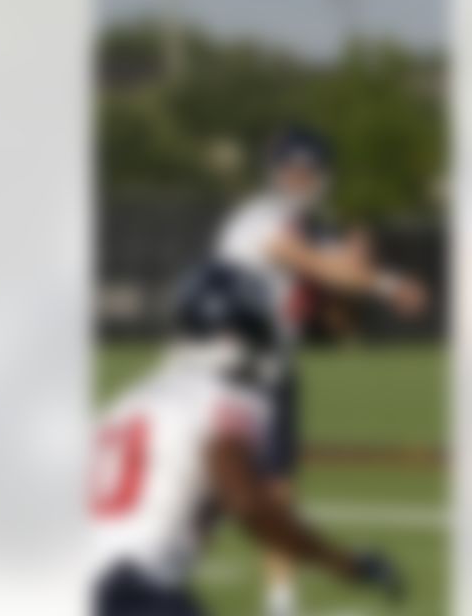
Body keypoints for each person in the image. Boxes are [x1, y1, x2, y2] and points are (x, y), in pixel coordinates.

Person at [91, 262, 406, 615]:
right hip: (126, 591)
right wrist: (342, 563)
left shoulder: (128, 402)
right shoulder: (221, 397)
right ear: (239, 333)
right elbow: (247, 501)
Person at [211, 126, 427, 616]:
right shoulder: (257, 219)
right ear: (273, 172)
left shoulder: (310, 225)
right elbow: (319, 264)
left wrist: (365, 275)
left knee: (278, 502)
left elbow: (339, 303)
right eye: (290, 169)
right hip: (223, 377)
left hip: (275, 375)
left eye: (308, 171)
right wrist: (388, 285)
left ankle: (281, 605)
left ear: (322, 178)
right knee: (202, 502)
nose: (298, 179)